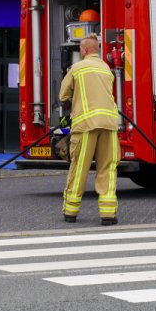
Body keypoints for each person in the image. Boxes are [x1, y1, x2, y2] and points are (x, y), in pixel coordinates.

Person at [59, 33, 120, 225]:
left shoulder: (77, 68)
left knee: (79, 168)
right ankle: (108, 214)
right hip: (109, 123)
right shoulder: (106, 68)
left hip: (85, 125)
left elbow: (63, 95)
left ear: (84, 50)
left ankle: (71, 211)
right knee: (107, 168)